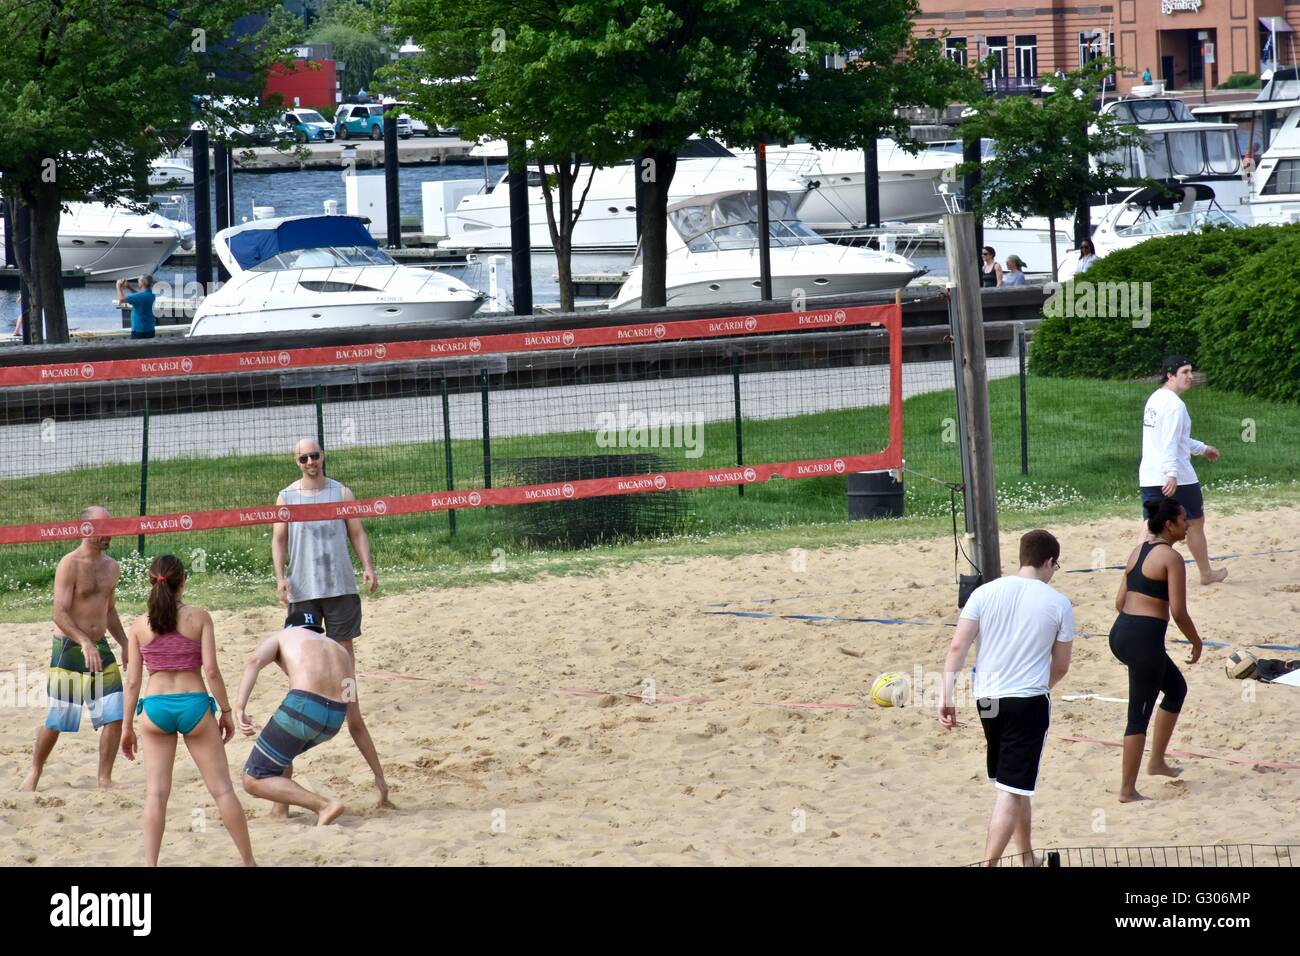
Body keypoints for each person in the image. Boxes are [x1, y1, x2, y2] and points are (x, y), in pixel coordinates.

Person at [939, 530, 1074, 867]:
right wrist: (1042, 688)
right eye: (1055, 565)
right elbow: (1061, 665)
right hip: (1026, 700)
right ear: (1047, 561)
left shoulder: (985, 593)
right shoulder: (1057, 602)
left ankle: (1027, 858)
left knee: (1015, 783)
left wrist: (946, 694)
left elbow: (959, 646)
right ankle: (990, 864)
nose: (1053, 571)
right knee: (1010, 790)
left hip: (988, 699)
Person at [272, 438, 390, 808]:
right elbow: (278, 540)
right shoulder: (287, 497)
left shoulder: (341, 491)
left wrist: (368, 567)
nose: (310, 461)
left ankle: (381, 786)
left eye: (314, 455)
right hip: (305, 593)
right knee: (300, 689)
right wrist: (280, 577)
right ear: (296, 462)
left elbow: (357, 531)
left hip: (340, 588)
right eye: (303, 457)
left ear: (323, 457)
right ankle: (281, 802)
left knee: (349, 692)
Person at [120, 555, 256, 866]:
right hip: (194, 703)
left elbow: (132, 682)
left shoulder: (139, 625)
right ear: (184, 582)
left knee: (156, 794)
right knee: (222, 791)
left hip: (155, 707)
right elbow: (211, 670)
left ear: (151, 583)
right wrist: (225, 711)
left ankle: (151, 865)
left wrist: (127, 726)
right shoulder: (199, 618)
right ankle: (249, 862)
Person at [22, 506, 129, 791]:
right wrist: (83, 642)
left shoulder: (112, 567)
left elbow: (110, 611)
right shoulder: (70, 564)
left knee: (115, 713)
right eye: (103, 529)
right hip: (70, 645)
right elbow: (59, 613)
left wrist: (126, 643)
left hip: (99, 646)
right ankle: (35, 771)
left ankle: (104, 779)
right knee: (59, 719)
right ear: (86, 529)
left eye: (110, 528)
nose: (109, 535)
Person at [1109, 497, 1203, 802]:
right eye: (1183, 519)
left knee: (1176, 689)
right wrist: (1196, 640)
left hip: (1121, 633)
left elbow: (1119, 602)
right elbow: (1178, 611)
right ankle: (1127, 790)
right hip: (1143, 641)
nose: (1187, 524)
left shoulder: (1138, 551)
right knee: (1138, 716)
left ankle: (1157, 760)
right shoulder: (1171, 559)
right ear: (1169, 524)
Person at [237, 612, 353, 825]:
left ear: (290, 626)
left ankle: (323, 805)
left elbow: (254, 662)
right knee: (283, 750)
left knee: (253, 778)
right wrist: (378, 776)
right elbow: (351, 699)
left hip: (304, 706)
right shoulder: (340, 650)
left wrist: (239, 707)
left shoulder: (286, 635)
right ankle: (280, 810)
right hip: (335, 717)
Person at [1139, 355, 1226, 585]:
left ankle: (1138, 574)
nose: (1190, 376)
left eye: (1191, 371)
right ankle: (1206, 574)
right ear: (1170, 375)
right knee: (1196, 522)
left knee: (1150, 525)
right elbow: (1169, 441)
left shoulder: (1155, 398)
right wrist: (1171, 473)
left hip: (1149, 474)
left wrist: (1203, 448)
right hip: (1177, 477)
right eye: (1185, 372)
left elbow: (1176, 440)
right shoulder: (1175, 405)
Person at [116, 274, 157, 339]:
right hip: (150, 329)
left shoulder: (139, 296)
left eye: (139, 280)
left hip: (139, 331)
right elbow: (139, 295)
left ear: (142, 283)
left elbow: (122, 300)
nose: (138, 281)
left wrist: (118, 287)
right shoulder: (152, 294)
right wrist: (129, 287)